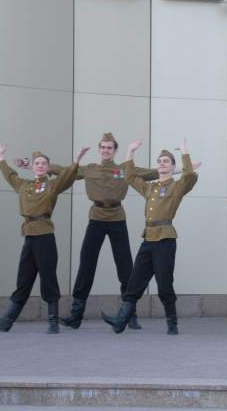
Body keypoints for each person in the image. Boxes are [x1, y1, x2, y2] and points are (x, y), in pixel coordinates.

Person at [15, 132, 190, 330]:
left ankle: (131, 316)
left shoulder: (122, 169)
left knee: (125, 267)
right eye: (103, 148)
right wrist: (31, 166)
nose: (106, 151)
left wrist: (179, 170)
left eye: (109, 148)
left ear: (115, 151)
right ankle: (76, 315)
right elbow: (65, 171)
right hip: (96, 218)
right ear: (100, 150)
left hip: (117, 219)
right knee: (86, 266)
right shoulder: (90, 169)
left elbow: (150, 173)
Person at [0, 141, 90, 333]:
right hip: (29, 235)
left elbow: (67, 176)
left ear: (48, 168)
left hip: (44, 235)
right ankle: (7, 321)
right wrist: (0, 156)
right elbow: (9, 174)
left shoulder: (52, 185)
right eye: (37, 163)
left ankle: (53, 322)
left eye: (43, 164)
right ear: (31, 167)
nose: (40, 166)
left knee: (48, 278)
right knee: (24, 279)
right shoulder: (24, 185)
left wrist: (76, 160)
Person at [101, 138, 199, 335]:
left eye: (166, 161)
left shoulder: (176, 187)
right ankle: (121, 321)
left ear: (173, 167)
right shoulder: (151, 188)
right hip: (148, 239)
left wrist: (183, 150)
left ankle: (172, 323)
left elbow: (190, 175)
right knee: (134, 282)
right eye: (159, 161)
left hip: (165, 239)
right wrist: (130, 151)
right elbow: (130, 176)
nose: (161, 163)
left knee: (164, 284)